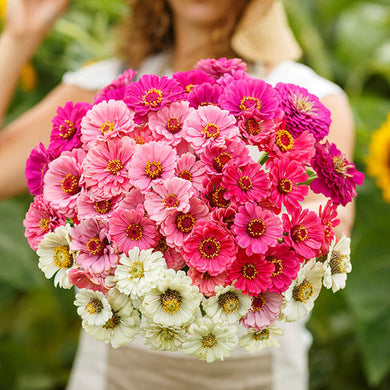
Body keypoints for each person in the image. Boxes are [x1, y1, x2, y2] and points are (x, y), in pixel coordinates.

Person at [0, 0, 356, 389]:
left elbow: (330, 222)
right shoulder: (108, 84)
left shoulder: (310, 96)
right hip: (118, 369)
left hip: (257, 370)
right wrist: (21, 35)